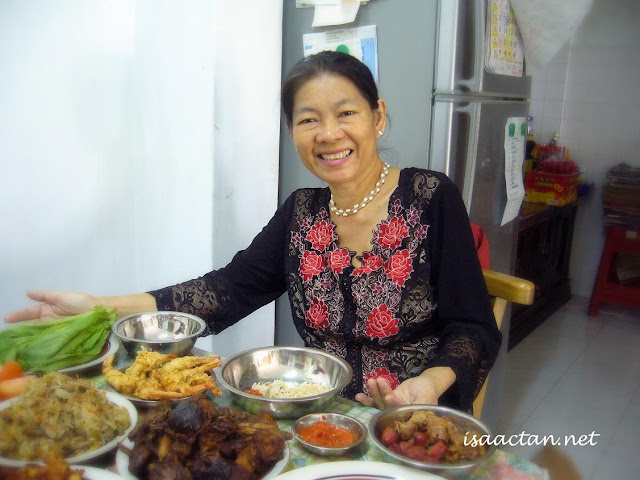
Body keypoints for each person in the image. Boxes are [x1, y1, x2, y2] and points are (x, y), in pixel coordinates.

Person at [5, 51, 500, 413]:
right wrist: (98, 306)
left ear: (378, 116)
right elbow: (224, 291)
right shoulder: (301, 212)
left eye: (346, 113)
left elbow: (474, 327)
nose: (328, 134)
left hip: (413, 416)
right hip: (314, 412)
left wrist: (433, 381)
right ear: (292, 133)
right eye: (309, 119)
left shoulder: (430, 197)